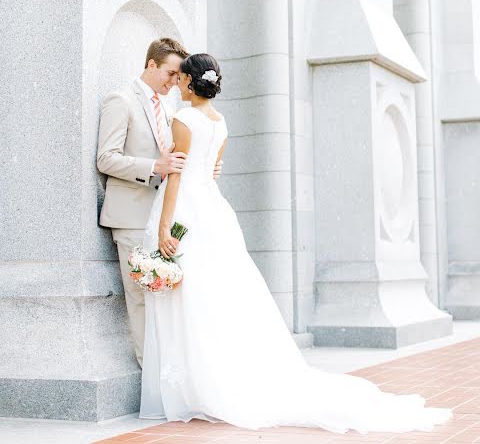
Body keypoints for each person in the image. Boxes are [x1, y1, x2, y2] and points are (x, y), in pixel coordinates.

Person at [138, 52, 452, 434]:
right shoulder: (221, 124)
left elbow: (177, 175)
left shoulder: (182, 119)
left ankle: (195, 384)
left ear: (189, 82)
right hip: (213, 212)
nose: (179, 85)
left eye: (182, 79)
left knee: (190, 296)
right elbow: (213, 172)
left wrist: (164, 226)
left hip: (186, 209)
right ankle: (211, 377)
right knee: (215, 294)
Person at [97, 38, 223, 367]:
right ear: (151, 65)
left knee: (166, 297)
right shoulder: (120, 100)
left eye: (178, 76)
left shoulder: (171, 111)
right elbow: (106, 159)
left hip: (163, 217)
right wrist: (155, 167)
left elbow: (180, 160)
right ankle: (149, 372)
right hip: (130, 215)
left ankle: (167, 373)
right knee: (139, 297)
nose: (174, 81)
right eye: (169, 73)